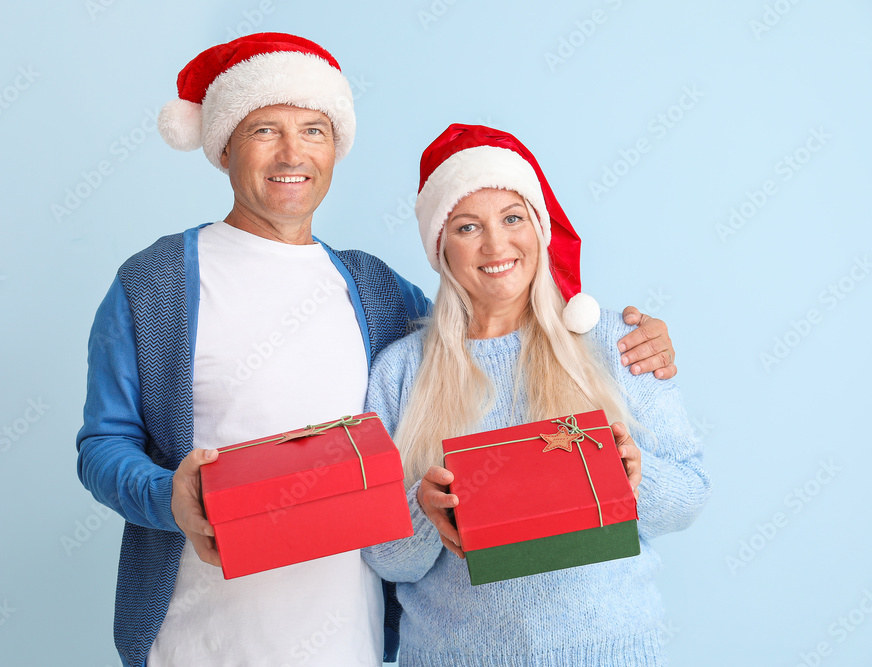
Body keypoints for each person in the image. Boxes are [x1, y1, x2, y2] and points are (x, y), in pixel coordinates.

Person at [75, 34, 678, 667]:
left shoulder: (376, 291)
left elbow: (487, 318)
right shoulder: (157, 283)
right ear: (224, 145)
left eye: (313, 130)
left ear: (335, 149)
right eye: (264, 131)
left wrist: (630, 337)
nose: (292, 153)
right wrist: (167, 494)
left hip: (349, 641)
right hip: (200, 635)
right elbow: (103, 444)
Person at [361, 124, 711, 666]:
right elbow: (387, 559)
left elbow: (689, 498)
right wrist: (422, 512)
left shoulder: (617, 342)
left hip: (607, 653)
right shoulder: (401, 372)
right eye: (467, 226)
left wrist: (635, 476)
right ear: (441, 247)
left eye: (512, 218)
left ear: (539, 230)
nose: (496, 244)